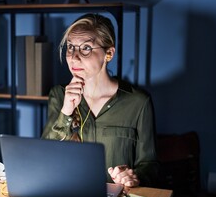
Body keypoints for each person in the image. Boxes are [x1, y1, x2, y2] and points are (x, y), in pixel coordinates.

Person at [41, 13, 159, 187]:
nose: (74, 57)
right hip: (69, 196)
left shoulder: (138, 102)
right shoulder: (59, 95)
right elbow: (45, 156)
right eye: (70, 47)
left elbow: (150, 165)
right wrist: (66, 112)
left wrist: (133, 177)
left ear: (109, 53)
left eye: (86, 48)